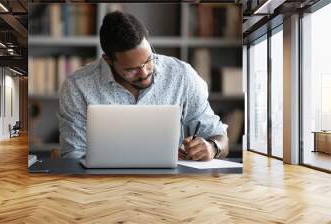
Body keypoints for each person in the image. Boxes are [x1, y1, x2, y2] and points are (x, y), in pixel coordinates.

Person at [58, 11, 229, 161]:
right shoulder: (77, 87)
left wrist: (213, 147)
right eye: (131, 69)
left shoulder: (182, 75)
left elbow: (220, 137)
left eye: (148, 60)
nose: (144, 72)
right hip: (104, 186)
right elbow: (73, 156)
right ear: (108, 60)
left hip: (170, 186)